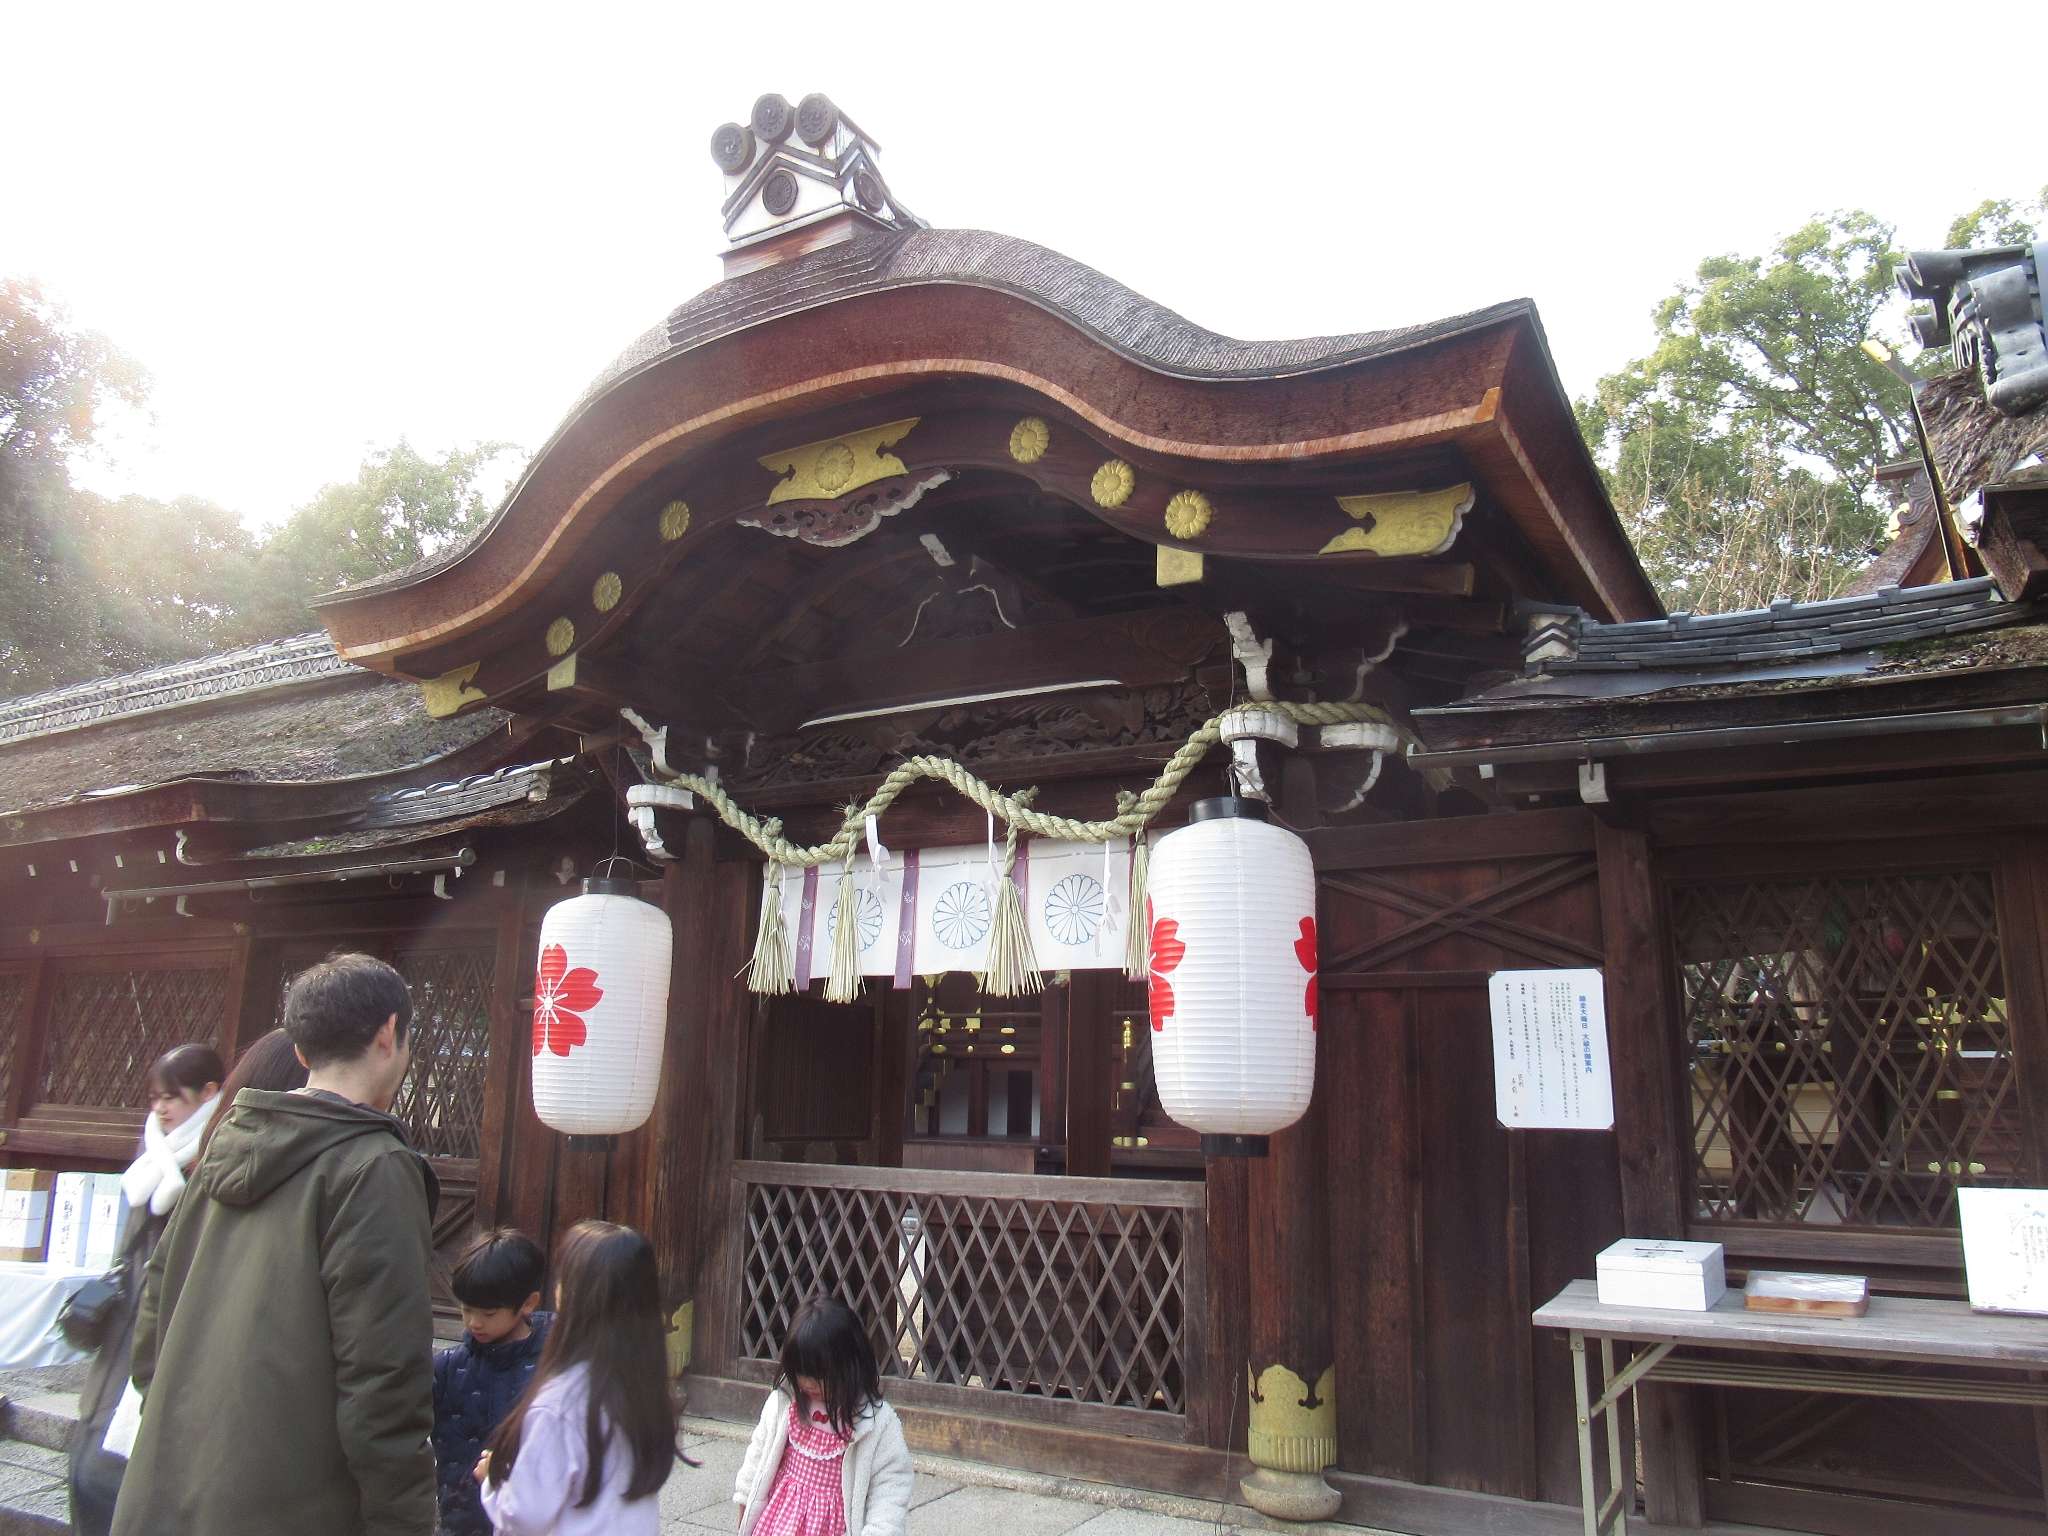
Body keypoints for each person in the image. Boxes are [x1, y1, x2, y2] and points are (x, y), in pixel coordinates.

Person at [110, 952, 438, 1536]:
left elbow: (152, 1315)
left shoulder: (227, 1143)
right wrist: (403, 1521)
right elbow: (383, 1379)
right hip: (290, 1504)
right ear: (390, 1033)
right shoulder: (373, 1165)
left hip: (170, 1490)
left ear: (303, 1053)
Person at [67, 1044, 224, 1536]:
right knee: (90, 1454)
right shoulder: (154, 1151)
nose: (160, 1108)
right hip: (125, 1321)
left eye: (172, 1097)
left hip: (169, 1325)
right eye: (155, 1097)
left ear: (209, 1093)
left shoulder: (215, 1155)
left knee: (121, 1465)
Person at [477, 1221, 691, 1535]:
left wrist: (492, 1483)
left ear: (573, 1295)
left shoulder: (559, 1403)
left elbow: (525, 1515)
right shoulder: (643, 1388)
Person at [734, 1295, 914, 1536]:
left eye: (819, 1375)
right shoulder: (784, 1404)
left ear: (849, 1365)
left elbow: (890, 1487)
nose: (808, 1383)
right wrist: (745, 1503)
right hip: (779, 1523)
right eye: (801, 1373)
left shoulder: (876, 1423)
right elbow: (757, 1456)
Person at [432, 1228, 553, 1536]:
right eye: (466, 1309)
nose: (474, 1322)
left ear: (528, 1304)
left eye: (488, 1313)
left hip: (523, 1522)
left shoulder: (553, 1369)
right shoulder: (447, 1367)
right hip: (459, 1521)